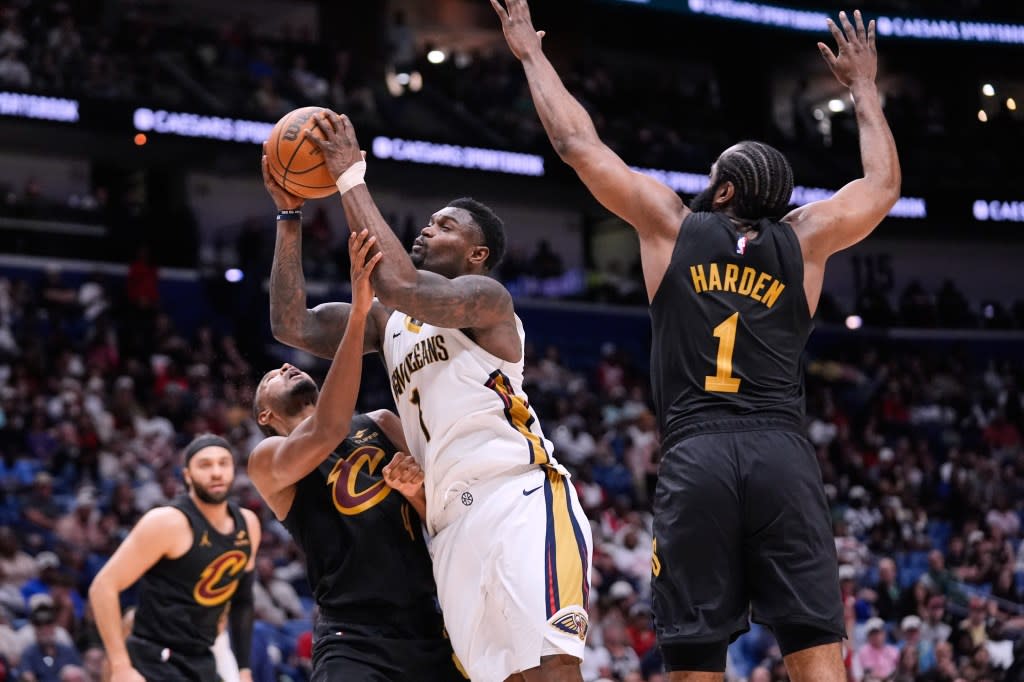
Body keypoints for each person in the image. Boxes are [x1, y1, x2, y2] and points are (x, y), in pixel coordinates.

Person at [491, 2, 900, 681]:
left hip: (698, 453)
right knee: (818, 654)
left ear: (727, 187)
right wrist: (862, 88)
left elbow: (578, 146)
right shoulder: (806, 240)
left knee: (694, 659)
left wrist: (532, 55)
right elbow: (882, 184)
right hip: (781, 454)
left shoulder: (672, 226)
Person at [262, 119, 592, 681]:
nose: (427, 229)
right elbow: (292, 324)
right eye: (430, 222)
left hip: (516, 493)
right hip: (446, 521)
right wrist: (290, 215)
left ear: (477, 253)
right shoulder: (388, 321)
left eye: (444, 227)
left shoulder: (487, 302)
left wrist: (349, 176)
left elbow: (403, 285)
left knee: (550, 667)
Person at [248, 230, 463, 681]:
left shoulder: (382, 422)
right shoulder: (268, 460)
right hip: (353, 635)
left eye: (286, 365)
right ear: (266, 415)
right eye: (271, 376)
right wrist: (359, 311)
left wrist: (418, 492)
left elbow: (442, 517)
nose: (286, 365)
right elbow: (327, 428)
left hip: (426, 622)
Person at [89, 435, 261, 682]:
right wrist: (120, 666)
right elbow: (103, 587)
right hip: (155, 659)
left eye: (223, 463)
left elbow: (243, 601)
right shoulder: (167, 522)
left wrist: (244, 669)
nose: (216, 472)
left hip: (203, 657)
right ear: (187, 475)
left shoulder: (249, 524)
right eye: (205, 465)